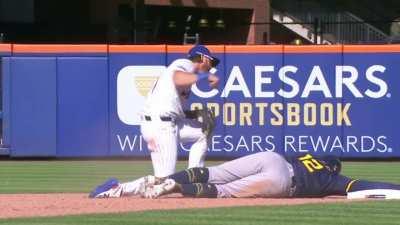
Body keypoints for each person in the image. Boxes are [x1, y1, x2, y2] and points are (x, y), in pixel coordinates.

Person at [89, 152, 400, 199]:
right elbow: (362, 186)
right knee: (222, 190)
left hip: (273, 157)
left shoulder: (307, 155)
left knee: (213, 170)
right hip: (283, 183)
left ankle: (159, 179)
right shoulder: (333, 178)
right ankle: (171, 187)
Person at [140, 45, 219, 178]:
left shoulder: (189, 78)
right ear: (203, 59)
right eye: (211, 62)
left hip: (165, 123)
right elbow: (177, 78)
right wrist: (206, 76)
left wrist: (193, 114)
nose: (211, 67)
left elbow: (173, 108)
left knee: (203, 133)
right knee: (165, 181)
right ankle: (118, 189)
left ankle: (194, 176)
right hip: (160, 127)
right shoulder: (186, 64)